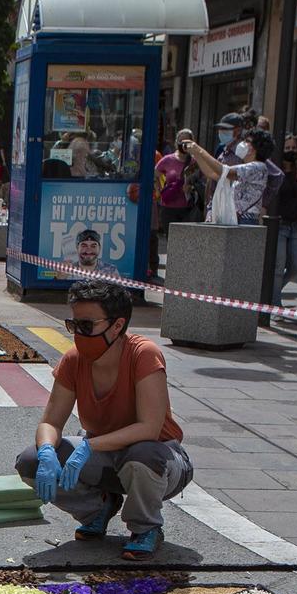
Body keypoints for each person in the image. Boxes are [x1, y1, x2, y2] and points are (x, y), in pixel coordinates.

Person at [17, 280, 191, 561]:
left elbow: (150, 427)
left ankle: (146, 528)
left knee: (141, 456)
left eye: (87, 326)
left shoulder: (143, 354)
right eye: (74, 325)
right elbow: (50, 422)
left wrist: (89, 446)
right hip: (106, 457)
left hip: (160, 460)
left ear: (117, 326)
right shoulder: (74, 360)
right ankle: (98, 508)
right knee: (30, 460)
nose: (78, 334)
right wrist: (47, 450)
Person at [183, 127, 276, 225]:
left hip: (245, 221)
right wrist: (196, 154)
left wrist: (199, 149)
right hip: (235, 219)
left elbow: (225, 171)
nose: (242, 144)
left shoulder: (259, 167)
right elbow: (212, 173)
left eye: (247, 141)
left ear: (256, 147)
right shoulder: (244, 167)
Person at [152, 130, 198, 277]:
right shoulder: (167, 160)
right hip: (168, 207)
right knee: (171, 241)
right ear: (176, 142)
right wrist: (159, 191)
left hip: (187, 208)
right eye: (181, 141)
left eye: (187, 142)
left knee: (185, 242)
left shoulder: (194, 161)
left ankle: (183, 273)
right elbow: (155, 174)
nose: (184, 145)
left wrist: (191, 187)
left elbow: (204, 179)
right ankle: (173, 274)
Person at [271, 141, 297, 304]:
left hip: (296, 225)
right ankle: (275, 303)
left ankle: (272, 292)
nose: (291, 151)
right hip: (279, 224)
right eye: (287, 148)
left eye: (294, 148)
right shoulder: (275, 171)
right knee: (278, 268)